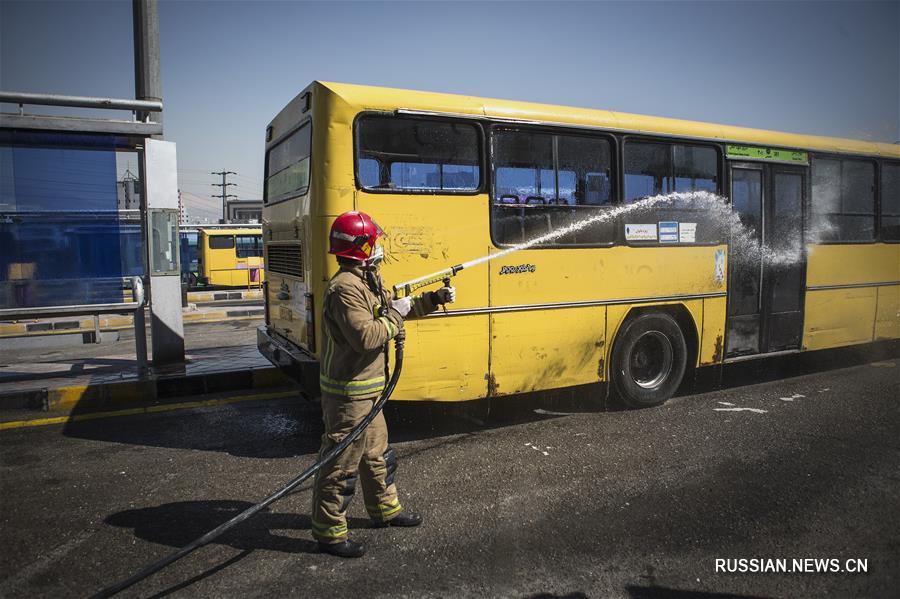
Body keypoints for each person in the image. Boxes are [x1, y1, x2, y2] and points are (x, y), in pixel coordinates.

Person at [311, 210, 456, 558]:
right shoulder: (345, 289)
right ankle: (330, 532)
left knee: (378, 456)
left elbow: (391, 309)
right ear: (360, 246)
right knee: (340, 465)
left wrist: (431, 300)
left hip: (369, 390)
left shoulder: (367, 280)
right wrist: (397, 314)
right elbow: (367, 336)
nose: (379, 248)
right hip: (349, 396)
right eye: (373, 242)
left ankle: (384, 512)